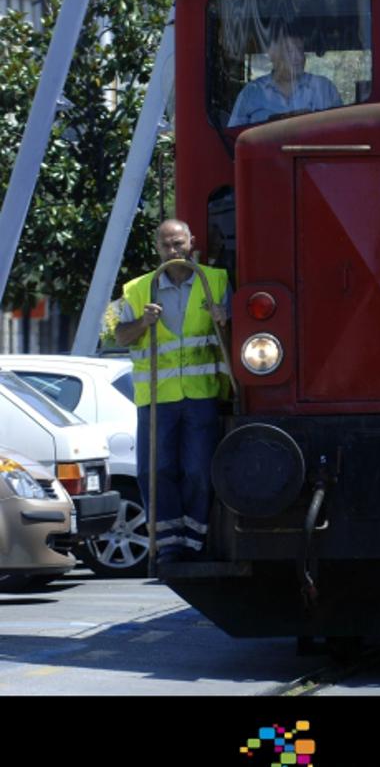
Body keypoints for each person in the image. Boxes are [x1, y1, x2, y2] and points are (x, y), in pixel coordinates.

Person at [115, 220, 230, 562]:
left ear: (191, 242)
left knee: (197, 469)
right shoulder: (137, 289)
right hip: (156, 397)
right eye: (166, 246)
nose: (173, 251)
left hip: (200, 395)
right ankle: (168, 545)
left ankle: (194, 541)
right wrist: (142, 323)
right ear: (157, 248)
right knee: (156, 470)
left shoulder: (216, 280)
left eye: (179, 243)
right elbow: (120, 337)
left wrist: (225, 317)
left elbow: (236, 336)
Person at [228, 23, 342, 127]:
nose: (298, 57)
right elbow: (236, 137)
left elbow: (340, 130)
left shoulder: (324, 89)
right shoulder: (251, 93)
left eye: (300, 50)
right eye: (290, 51)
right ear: (273, 55)